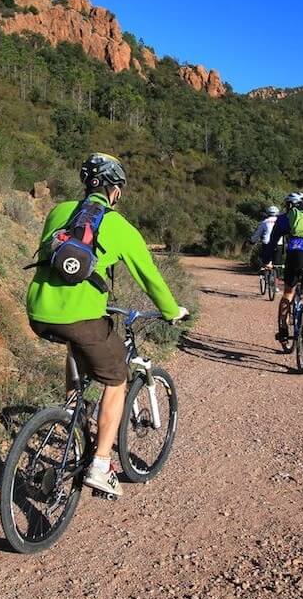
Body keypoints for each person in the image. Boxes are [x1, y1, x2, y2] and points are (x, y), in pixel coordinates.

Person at [26, 153, 188, 498]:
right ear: (115, 191)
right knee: (117, 379)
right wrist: (172, 311)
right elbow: (151, 280)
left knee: (75, 346)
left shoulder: (57, 212)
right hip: (81, 316)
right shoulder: (122, 228)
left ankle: (71, 410)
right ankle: (100, 464)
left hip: (39, 312)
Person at [263, 192, 303, 340]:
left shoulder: (284, 218)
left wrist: (266, 260)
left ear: (290, 204)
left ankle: (283, 329)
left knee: (288, 292)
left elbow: (272, 242)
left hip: (296, 254)